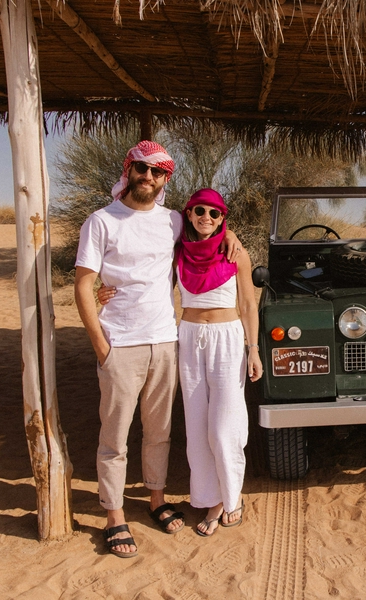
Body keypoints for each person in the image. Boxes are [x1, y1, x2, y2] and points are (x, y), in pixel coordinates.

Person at [74, 141, 241, 558]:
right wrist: (102, 347)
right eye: (141, 168)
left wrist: (233, 235)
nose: (148, 177)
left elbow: (211, 226)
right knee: (114, 437)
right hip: (119, 344)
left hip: (166, 340)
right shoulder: (101, 221)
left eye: (157, 171)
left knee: (159, 432)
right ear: (128, 170)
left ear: (166, 179)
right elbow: (81, 285)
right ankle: (114, 515)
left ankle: (156, 499)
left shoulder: (172, 221)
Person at [99, 188, 262, 537]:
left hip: (227, 338)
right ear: (188, 214)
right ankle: (208, 497)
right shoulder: (178, 253)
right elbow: (149, 286)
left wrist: (254, 349)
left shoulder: (235, 253)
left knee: (224, 424)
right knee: (197, 427)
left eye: (215, 214)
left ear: (223, 218)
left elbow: (248, 305)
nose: (207, 218)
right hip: (188, 338)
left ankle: (229, 499)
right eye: (200, 211)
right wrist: (105, 290)